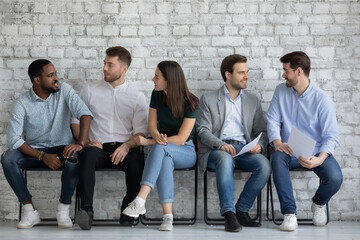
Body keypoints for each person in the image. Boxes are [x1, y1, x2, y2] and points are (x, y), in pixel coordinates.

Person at [1, 59, 93, 229]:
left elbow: (85, 113)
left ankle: (63, 210)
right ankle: (30, 210)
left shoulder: (64, 90)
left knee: (73, 157)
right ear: (37, 80)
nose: (56, 78)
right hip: (34, 151)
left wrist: (80, 143)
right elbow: (13, 139)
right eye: (51, 75)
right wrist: (43, 156)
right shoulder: (22, 103)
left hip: (62, 148)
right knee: (7, 158)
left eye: (55, 74)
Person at [71, 46, 148, 230]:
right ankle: (87, 212)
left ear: (124, 69)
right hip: (97, 147)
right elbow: (75, 121)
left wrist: (127, 146)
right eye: (104, 63)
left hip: (125, 147)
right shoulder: (89, 90)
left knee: (137, 162)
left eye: (110, 65)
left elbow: (140, 132)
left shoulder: (136, 96)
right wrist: (87, 141)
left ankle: (128, 208)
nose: (104, 68)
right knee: (87, 156)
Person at [267, 51, 343, 231]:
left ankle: (318, 204)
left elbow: (331, 135)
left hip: (315, 152)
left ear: (299, 71)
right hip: (288, 149)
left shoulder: (322, 100)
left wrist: (320, 158)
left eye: (286, 70)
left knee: (335, 178)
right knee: (277, 158)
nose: (283, 74)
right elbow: (272, 119)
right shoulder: (281, 91)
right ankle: (289, 214)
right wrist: (277, 143)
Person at [196, 54, 271, 232]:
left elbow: (262, 131)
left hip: (244, 149)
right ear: (228, 75)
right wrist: (220, 145)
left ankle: (241, 211)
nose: (246, 76)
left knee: (264, 164)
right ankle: (228, 213)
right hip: (217, 150)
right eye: (241, 72)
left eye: (247, 72)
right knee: (225, 159)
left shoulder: (252, 100)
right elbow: (202, 130)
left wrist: (259, 144)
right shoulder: (208, 99)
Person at [122, 61, 199, 231]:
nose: (153, 79)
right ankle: (168, 217)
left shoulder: (191, 102)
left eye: (157, 77)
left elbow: (180, 139)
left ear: (169, 80)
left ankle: (140, 199)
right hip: (164, 148)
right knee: (164, 158)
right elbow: (152, 127)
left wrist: (150, 141)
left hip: (185, 150)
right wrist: (156, 137)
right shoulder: (156, 95)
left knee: (160, 148)